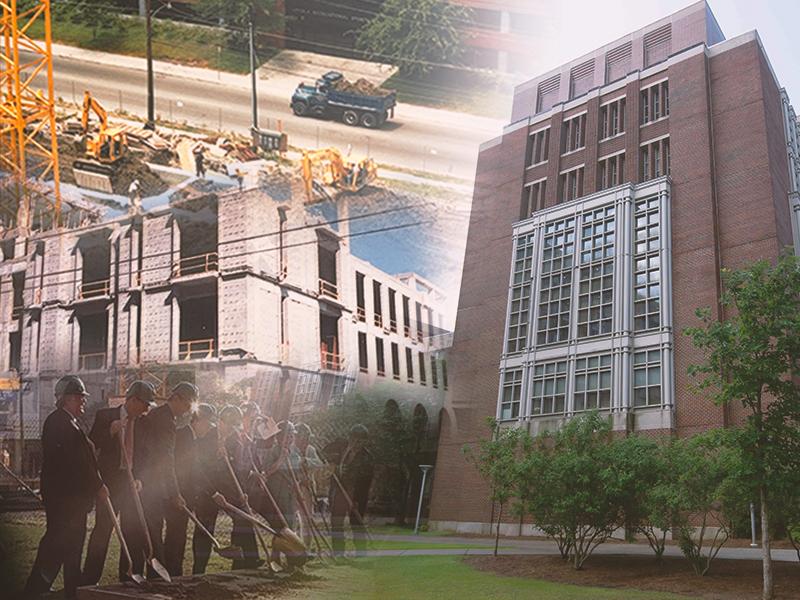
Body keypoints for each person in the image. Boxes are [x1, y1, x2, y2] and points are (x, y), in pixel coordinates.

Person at [25, 376, 108, 599]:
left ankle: (71, 588)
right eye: (80, 398)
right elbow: (76, 462)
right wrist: (98, 484)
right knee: (57, 543)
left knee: (71, 544)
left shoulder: (67, 421)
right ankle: (37, 587)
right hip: (65, 500)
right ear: (68, 398)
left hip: (71, 500)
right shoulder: (59, 423)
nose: (83, 402)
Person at [82, 381, 156, 585]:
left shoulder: (144, 422)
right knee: (102, 531)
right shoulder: (105, 416)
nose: (147, 409)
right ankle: (89, 580)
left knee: (132, 532)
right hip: (110, 484)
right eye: (145, 404)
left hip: (132, 483)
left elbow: (145, 455)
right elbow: (92, 445)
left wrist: (140, 478)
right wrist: (110, 432)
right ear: (133, 400)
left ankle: (129, 577)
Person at [139, 382, 197, 578]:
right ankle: (158, 578)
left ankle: (154, 575)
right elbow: (166, 458)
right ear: (177, 398)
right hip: (153, 485)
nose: (189, 408)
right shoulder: (166, 421)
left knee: (150, 532)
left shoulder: (158, 415)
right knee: (153, 533)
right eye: (188, 402)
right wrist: (175, 493)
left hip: (148, 482)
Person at [164, 402, 217, 576]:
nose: (209, 428)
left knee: (178, 536)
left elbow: (197, 471)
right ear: (198, 421)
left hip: (183, 495)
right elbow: (174, 467)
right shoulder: (183, 436)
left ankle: (174, 573)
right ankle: (170, 573)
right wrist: (176, 493)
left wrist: (213, 492)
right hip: (175, 494)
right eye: (208, 423)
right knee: (175, 536)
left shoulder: (192, 438)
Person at [218, 404, 261, 570]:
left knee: (244, 520)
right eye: (252, 418)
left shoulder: (243, 439)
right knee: (242, 518)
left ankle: (245, 560)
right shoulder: (228, 438)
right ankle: (247, 559)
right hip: (225, 485)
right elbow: (229, 467)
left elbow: (247, 465)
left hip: (238, 485)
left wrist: (245, 486)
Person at [324, 424, 374, 559]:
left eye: (361, 441)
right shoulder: (340, 446)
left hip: (356, 494)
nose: (357, 444)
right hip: (339, 491)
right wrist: (334, 464)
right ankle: (338, 552)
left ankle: (361, 552)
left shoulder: (367, 458)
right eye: (355, 439)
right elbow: (324, 452)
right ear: (350, 438)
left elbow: (365, 483)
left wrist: (356, 501)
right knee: (336, 522)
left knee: (356, 523)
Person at [257, 420, 299, 566]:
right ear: (280, 436)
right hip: (276, 495)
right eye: (288, 435)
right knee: (280, 527)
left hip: (290, 494)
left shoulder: (294, 452)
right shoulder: (272, 451)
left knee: (291, 525)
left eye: (292, 436)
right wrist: (280, 460)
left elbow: (297, 473)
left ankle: (291, 560)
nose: (291, 439)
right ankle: (275, 558)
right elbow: (265, 472)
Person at [189, 404, 223, 575]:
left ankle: (199, 569)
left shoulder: (210, 440)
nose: (194, 425)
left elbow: (203, 471)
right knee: (203, 531)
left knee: (204, 531)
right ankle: (198, 569)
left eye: (196, 421)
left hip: (208, 493)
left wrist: (213, 492)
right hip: (204, 492)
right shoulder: (201, 440)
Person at [293, 423, 324, 547]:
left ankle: (306, 548)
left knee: (307, 519)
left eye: (307, 437)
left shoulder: (310, 449)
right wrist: (300, 478)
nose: (305, 440)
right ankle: (294, 548)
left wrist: (306, 461)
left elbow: (319, 463)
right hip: (294, 488)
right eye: (302, 437)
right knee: (292, 519)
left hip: (307, 488)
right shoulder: (290, 448)